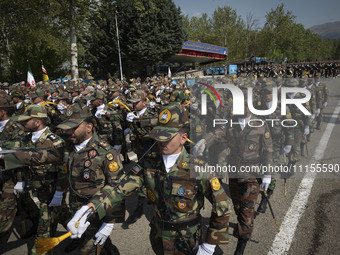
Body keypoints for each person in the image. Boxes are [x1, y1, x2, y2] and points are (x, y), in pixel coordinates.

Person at [67, 105, 231, 255]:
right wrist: (89, 208)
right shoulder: (148, 164)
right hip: (158, 236)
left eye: (167, 137)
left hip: (187, 239)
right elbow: (119, 188)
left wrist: (209, 245)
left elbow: (222, 206)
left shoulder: (198, 168)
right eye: (159, 136)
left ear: (183, 138)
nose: (161, 141)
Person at [56, 103, 122, 254]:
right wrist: (59, 192)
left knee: (87, 250)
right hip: (75, 206)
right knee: (100, 244)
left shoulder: (105, 152)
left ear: (89, 127)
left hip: (97, 210)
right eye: (67, 127)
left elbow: (117, 187)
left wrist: (109, 222)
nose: (69, 132)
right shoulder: (68, 147)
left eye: (74, 128)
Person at [2, 105, 66, 255]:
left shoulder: (54, 141)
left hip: (51, 193)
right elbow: (23, 162)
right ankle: (84, 232)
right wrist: (21, 180)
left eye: (27, 120)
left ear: (37, 122)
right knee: (64, 215)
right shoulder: (27, 138)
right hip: (38, 190)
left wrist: (60, 192)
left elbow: (63, 169)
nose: (23, 123)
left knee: (43, 236)